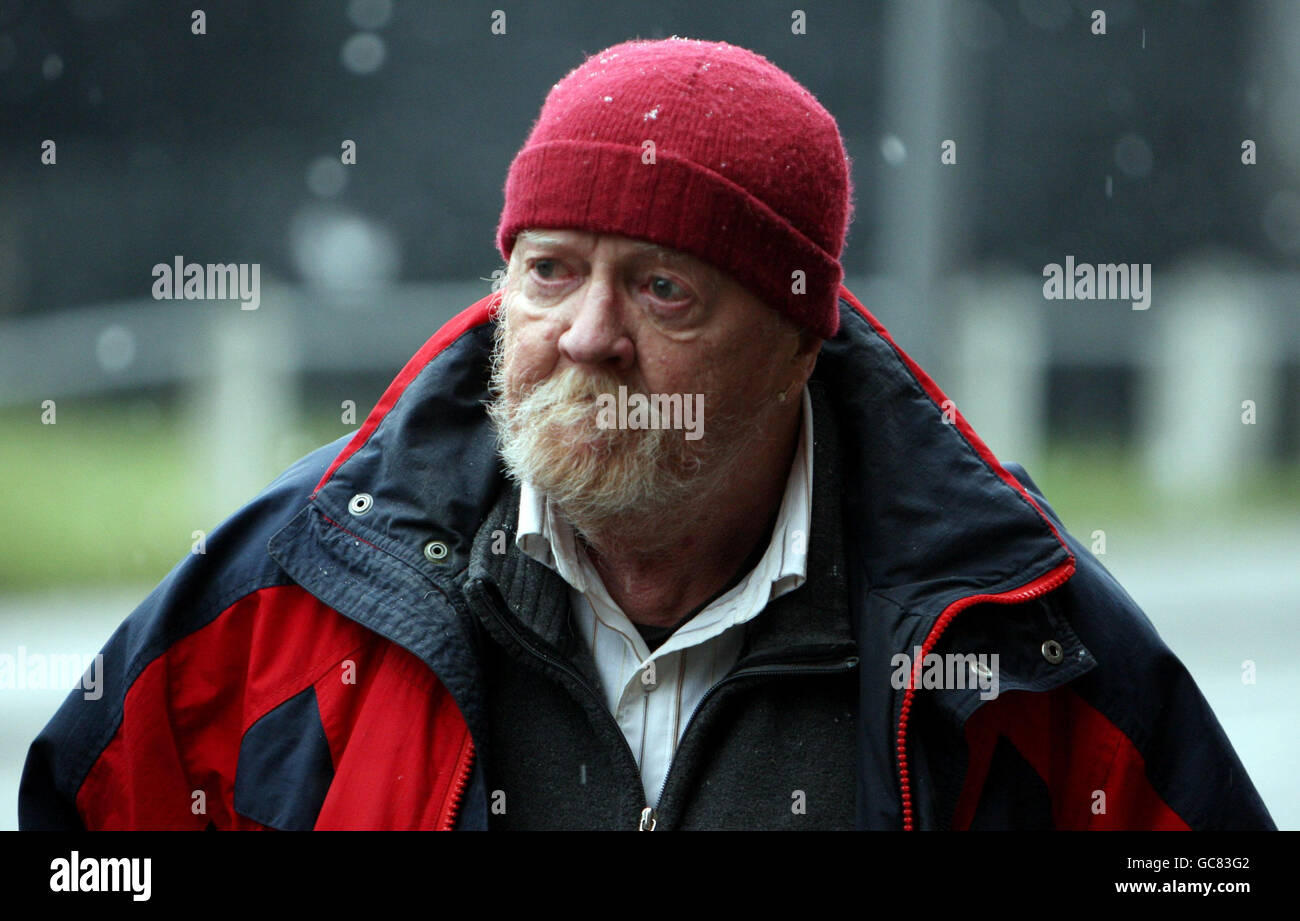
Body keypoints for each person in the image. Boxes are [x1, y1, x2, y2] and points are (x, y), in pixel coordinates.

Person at [20, 37, 1274, 831]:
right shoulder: (283, 598)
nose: (588, 336)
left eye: (662, 288)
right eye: (551, 271)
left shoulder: (1022, 643)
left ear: (796, 347)